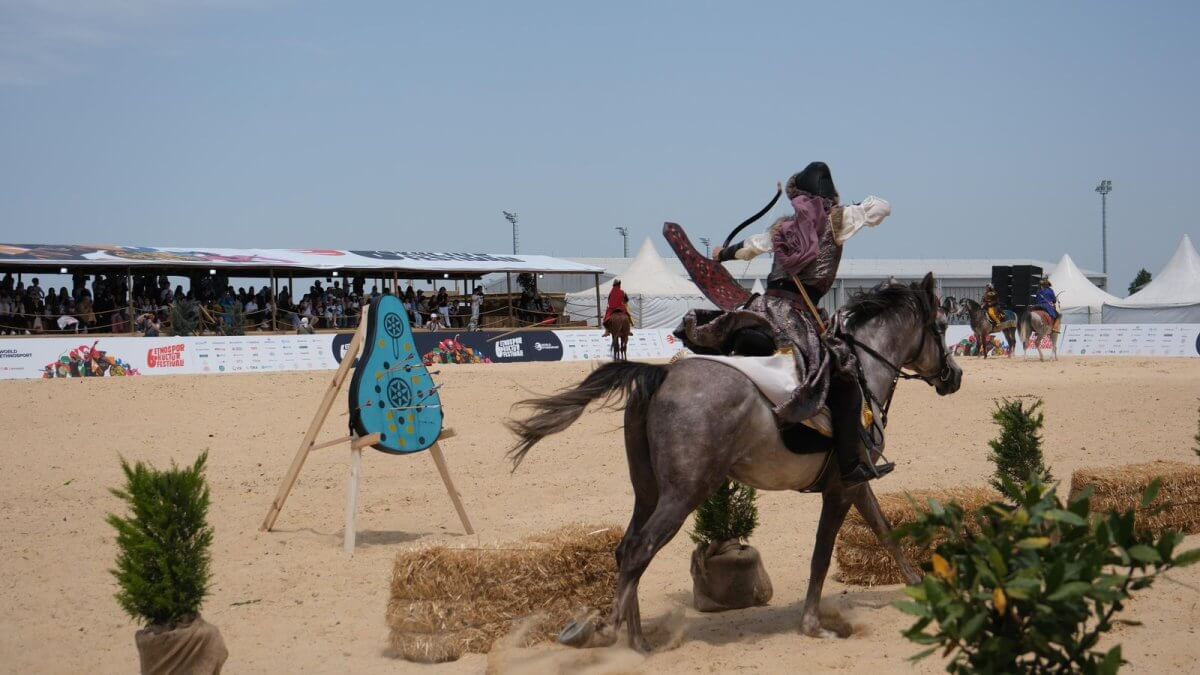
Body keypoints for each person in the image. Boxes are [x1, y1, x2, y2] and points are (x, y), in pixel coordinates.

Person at [678, 162, 893, 486]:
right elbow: (881, 208)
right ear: (828, 196)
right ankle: (849, 465)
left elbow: (750, 247)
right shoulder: (838, 219)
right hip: (796, 318)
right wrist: (856, 207)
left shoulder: (783, 228)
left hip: (762, 309)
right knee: (844, 379)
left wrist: (723, 254)